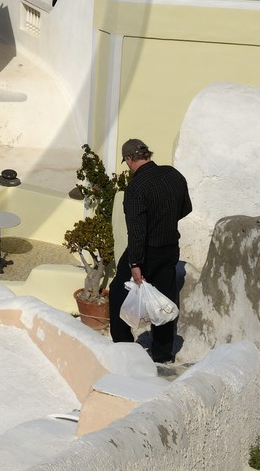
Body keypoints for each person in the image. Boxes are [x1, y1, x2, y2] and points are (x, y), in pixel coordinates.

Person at [108, 138, 192, 363]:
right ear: (147, 155)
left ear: (128, 159)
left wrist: (135, 263)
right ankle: (163, 354)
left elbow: (136, 231)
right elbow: (186, 207)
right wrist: (165, 222)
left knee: (117, 291)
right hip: (170, 247)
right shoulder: (174, 175)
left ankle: (123, 347)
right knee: (164, 299)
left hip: (146, 251)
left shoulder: (136, 187)